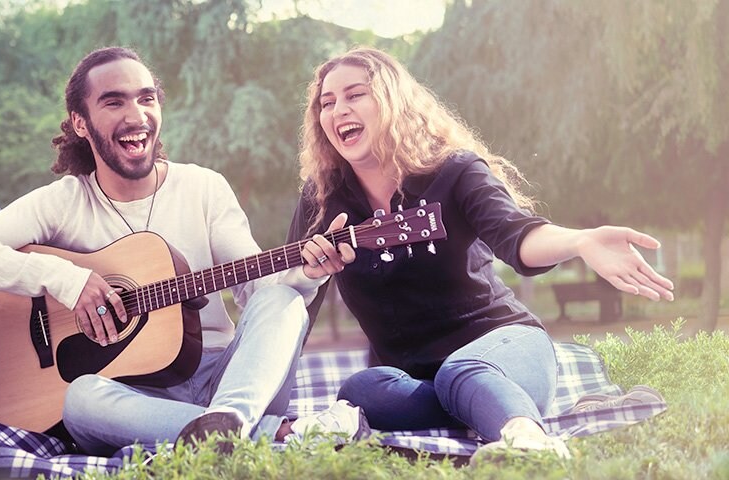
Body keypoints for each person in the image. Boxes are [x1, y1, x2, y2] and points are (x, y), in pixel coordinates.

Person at [0, 46, 362, 457]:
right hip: (138, 399)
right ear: (80, 123)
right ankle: (259, 435)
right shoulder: (63, 202)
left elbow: (259, 293)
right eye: (114, 102)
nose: (136, 115)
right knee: (81, 397)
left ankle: (229, 421)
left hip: (230, 377)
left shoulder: (203, 187)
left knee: (283, 298)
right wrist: (66, 279)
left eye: (146, 98)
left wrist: (309, 275)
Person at [287, 46, 674, 458]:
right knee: (362, 388)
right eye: (327, 103)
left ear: (392, 100)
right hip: (416, 381)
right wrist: (308, 277)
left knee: (464, 372)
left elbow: (518, 235)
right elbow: (292, 299)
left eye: (355, 95)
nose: (338, 110)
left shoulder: (454, 170)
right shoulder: (322, 197)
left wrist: (580, 241)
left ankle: (530, 442)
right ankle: (484, 413)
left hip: (503, 347)